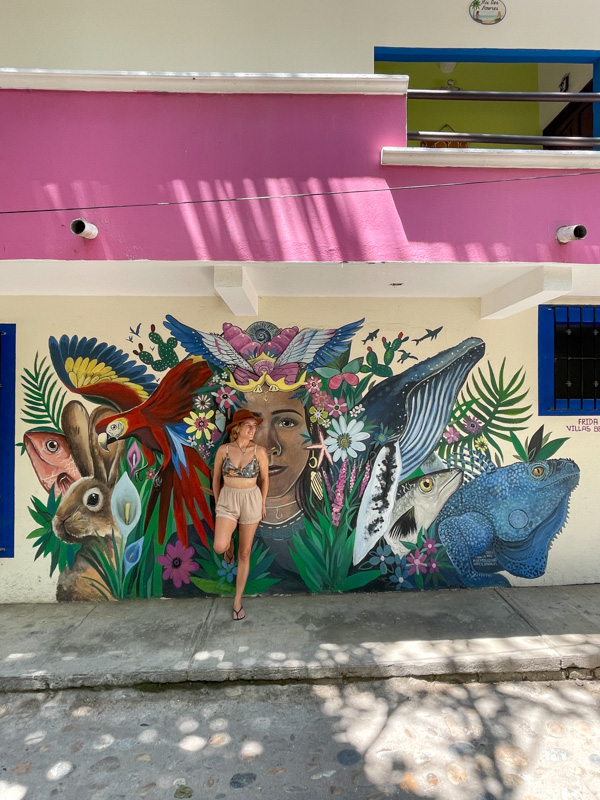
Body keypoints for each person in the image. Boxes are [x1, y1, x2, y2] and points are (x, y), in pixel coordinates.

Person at [212, 408, 269, 620]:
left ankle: (237, 600)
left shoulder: (259, 452)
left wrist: (262, 503)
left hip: (251, 499)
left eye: (255, 426)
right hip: (228, 499)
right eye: (249, 426)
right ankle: (230, 545)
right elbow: (216, 478)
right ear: (237, 428)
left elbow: (265, 480)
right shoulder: (224, 450)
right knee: (220, 546)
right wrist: (218, 503)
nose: (253, 429)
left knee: (245, 554)